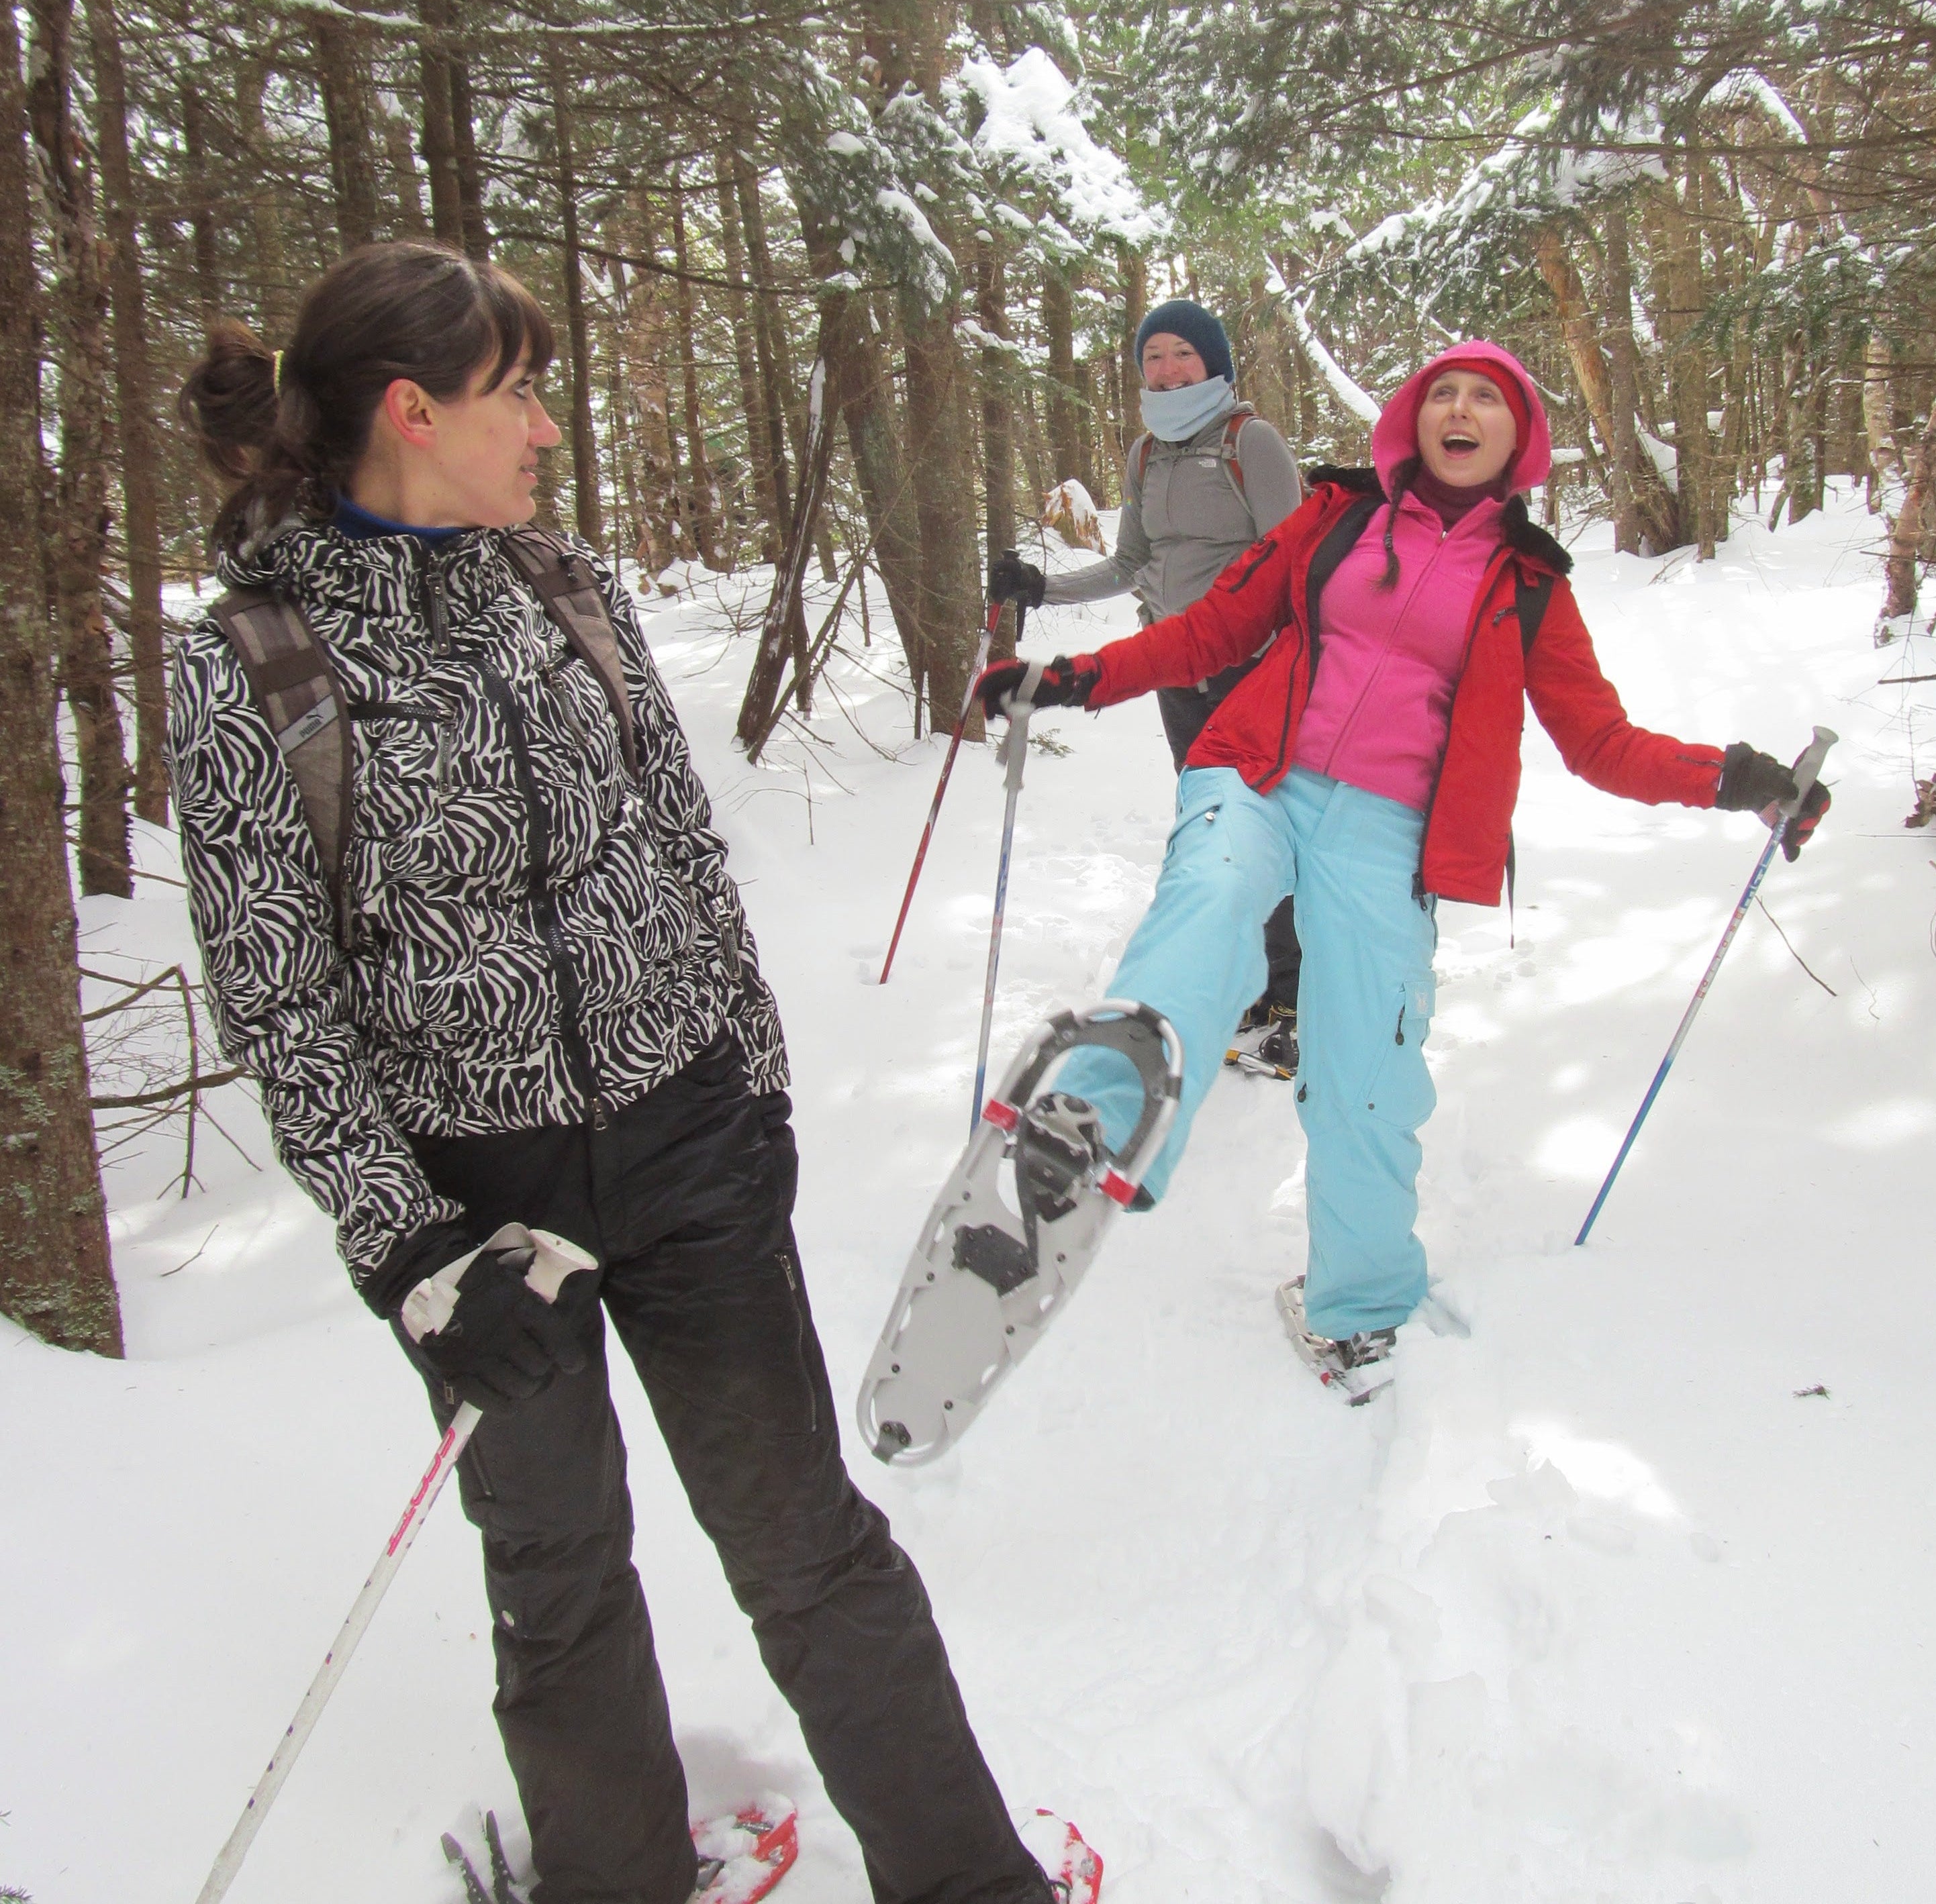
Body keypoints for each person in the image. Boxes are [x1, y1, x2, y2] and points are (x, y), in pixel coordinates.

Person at [168, 242, 1062, 1904]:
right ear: (412, 411)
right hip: (482, 1217)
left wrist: (754, 1081)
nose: (546, 428)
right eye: (516, 393)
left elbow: (679, 844)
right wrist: (415, 1255)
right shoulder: (254, 664)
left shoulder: (562, 581)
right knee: (557, 1577)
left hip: (690, 1138)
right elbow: (281, 1000)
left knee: (804, 1541)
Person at [973, 340, 1829, 1383]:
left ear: (1519, 438)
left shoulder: (1530, 586)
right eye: (1442, 394)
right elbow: (1212, 630)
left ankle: (1360, 1307)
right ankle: (1099, 1125)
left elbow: (1600, 742)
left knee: (1368, 1074)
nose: (1460, 410)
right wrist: (1074, 678)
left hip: (1390, 833)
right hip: (1259, 772)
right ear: (1414, 421)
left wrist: (1736, 778)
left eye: (1486, 399)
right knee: (1211, 901)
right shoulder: (1336, 516)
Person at [988, 300, 1308, 1074]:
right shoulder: (1144, 454)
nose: (1167, 369)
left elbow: (1295, 563)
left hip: (1252, 669)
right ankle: (1254, 984)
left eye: (1181, 354)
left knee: (1265, 830)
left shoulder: (1251, 442)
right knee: (1213, 834)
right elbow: (1131, 563)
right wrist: (1043, 588)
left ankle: (1299, 998)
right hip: (1177, 673)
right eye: (1153, 356)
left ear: (1212, 363)